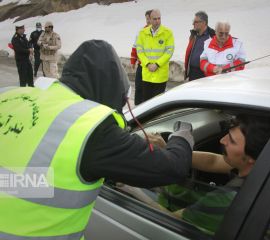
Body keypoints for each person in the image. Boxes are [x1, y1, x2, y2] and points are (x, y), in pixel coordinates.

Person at [0, 40, 195, 239]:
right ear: (113, 89)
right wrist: (182, 134)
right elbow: (173, 168)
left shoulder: (8, 96)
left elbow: (21, 171)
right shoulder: (92, 129)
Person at [118, 114, 270, 234]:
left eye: (232, 140)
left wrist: (131, 190)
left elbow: (171, 220)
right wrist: (171, 150)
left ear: (251, 158)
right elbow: (213, 162)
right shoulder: (265, 168)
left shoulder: (228, 199)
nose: (222, 141)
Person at [136, 9, 174, 102]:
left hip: (160, 75)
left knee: (158, 103)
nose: (157, 21)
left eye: (159, 18)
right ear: (150, 19)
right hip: (147, 74)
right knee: (146, 102)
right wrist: (148, 64)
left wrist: (157, 64)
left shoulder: (167, 32)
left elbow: (169, 51)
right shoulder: (142, 33)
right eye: (155, 19)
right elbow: (139, 50)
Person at [185, 11, 215, 81]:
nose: (193, 24)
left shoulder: (212, 36)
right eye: (193, 21)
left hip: (205, 73)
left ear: (203, 23)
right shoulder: (194, 35)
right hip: (192, 72)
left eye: (196, 22)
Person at [131, 9, 152, 105]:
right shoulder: (141, 32)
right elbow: (135, 47)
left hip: (153, 67)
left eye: (150, 18)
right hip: (141, 65)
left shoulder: (160, 32)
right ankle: (138, 107)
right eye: (147, 19)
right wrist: (133, 60)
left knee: (149, 89)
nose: (148, 21)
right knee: (139, 87)